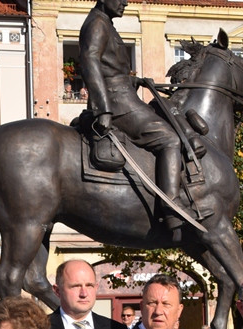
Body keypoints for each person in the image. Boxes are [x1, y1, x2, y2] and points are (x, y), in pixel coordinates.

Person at [79, 0, 194, 239]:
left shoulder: (105, 23)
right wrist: (103, 108)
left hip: (122, 95)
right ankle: (171, 206)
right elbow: (89, 62)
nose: (125, 3)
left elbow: (109, 69)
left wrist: (135, 81)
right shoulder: (98, 23)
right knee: (170, 139)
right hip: (118, 103)